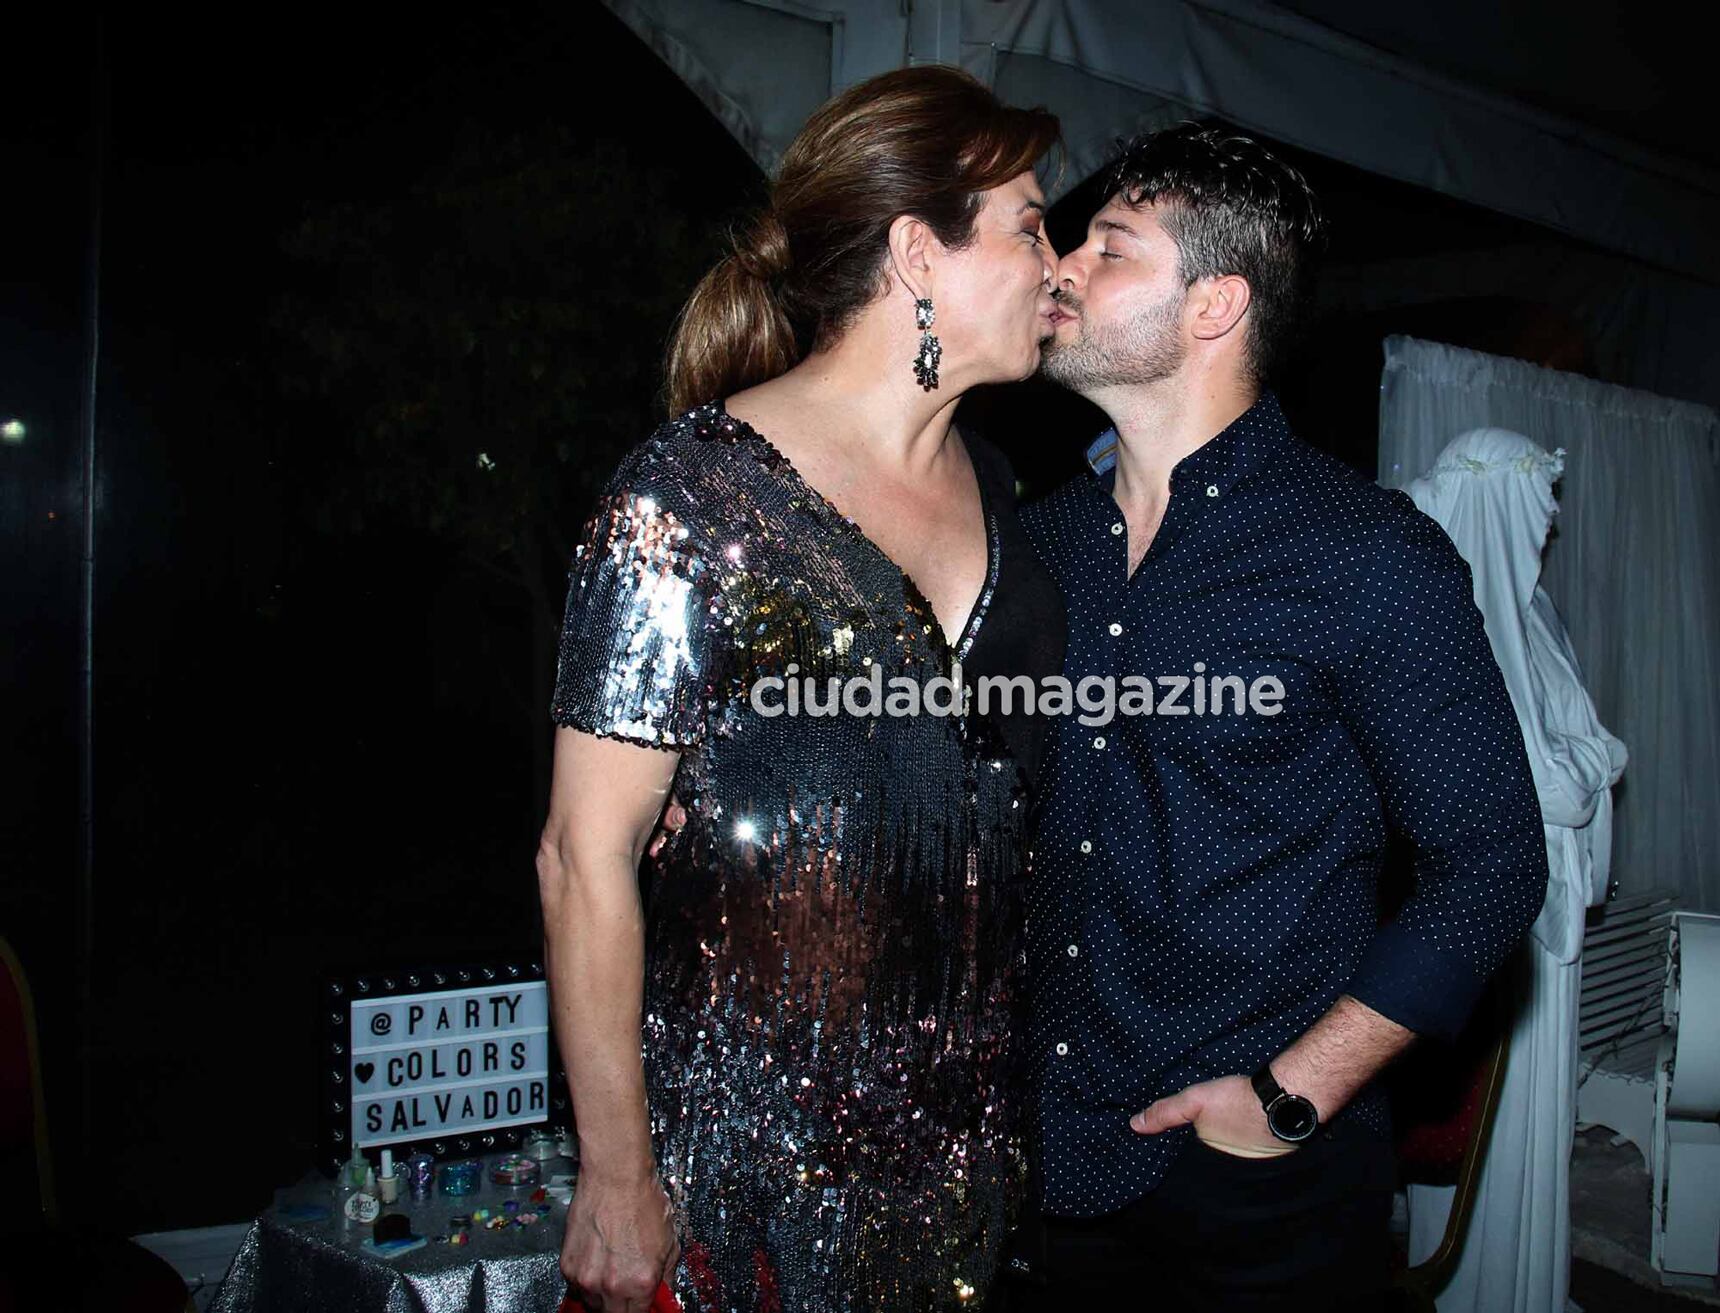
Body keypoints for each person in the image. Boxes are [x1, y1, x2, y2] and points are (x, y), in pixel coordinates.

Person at [536, 66, 1066, 1313]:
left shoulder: (1010, 501)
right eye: (1030, 223)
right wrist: (616, 1175)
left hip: (959, 1184)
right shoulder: (691, 496)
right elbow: (581, 853)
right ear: (916, 253)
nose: (1058, 260)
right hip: (742, 1187)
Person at [1002, 123, 1551, 1309]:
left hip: (1256, 1189)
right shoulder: (1035, 548)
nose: (1064, 271)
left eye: (1110, 248)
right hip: (1032, 1163)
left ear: (1213, 306)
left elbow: (1493, 862)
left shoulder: (1363, 555)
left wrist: (1292, 1091)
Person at [1403, 429, 1627, 1312]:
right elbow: (1551, 776)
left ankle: (1520, 1288)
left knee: (1529, 1123)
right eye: (1536, 503)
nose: (1552, 524)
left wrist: (1578, 765)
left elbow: (1575, 757)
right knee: (1481, 1123)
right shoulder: (1455, 618)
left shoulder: (1533, 613)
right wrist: (1580, 766)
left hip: (1548, 914)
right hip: (1494, 917)